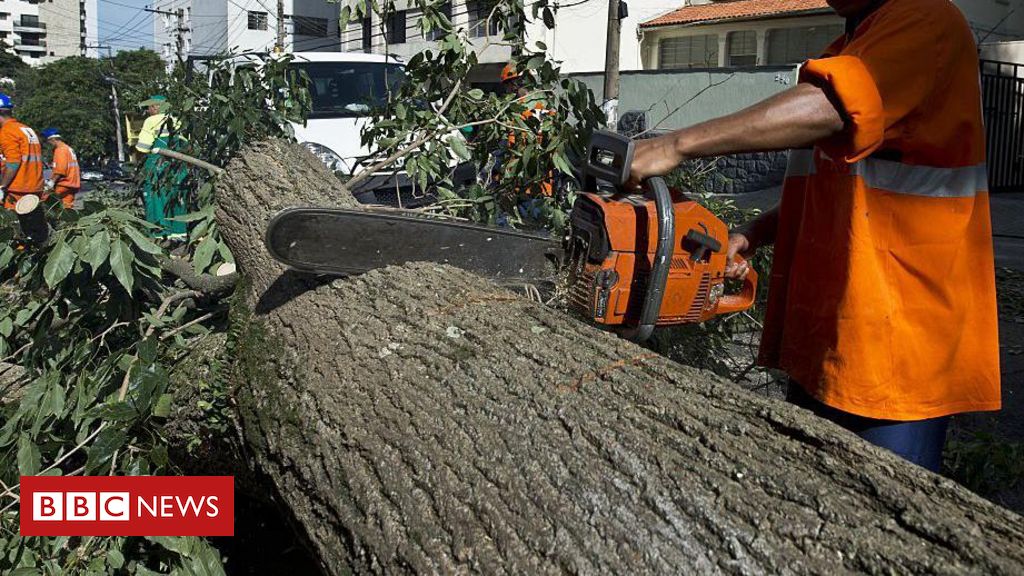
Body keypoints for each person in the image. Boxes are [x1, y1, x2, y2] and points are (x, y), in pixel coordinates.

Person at [628, 0, 999, 472]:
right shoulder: (850, 46)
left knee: (876, 517)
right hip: (835, 334)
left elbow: (833, 108)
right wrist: (754, 233)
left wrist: (673, 144)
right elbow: (834, 184)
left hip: (897, 347)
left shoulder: (925, 19)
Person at [135, 94, 187, 239]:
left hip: (156, 168)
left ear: (155, 107)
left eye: (149, 108)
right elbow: (185, 145)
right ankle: (179, 234)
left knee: (155, 199)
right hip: (178, 168)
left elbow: (143, 148)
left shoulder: (151, 121)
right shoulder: (177, 120)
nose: (148, 111)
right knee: (177, 198)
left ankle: (159, 234)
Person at [0, 93, 44, 211]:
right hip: (35, 186)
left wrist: (2, 186)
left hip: (18, 189)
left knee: (14, 225)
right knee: (33, 225)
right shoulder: (25, 129)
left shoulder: (7, 131)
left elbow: (13, 162)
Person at [41, 128, 80, 209]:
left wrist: (51, 182)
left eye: (48, 142)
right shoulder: (68, 149)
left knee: (46, 201)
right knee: (67, 208)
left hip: (63, 184)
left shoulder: (60, 150)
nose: (48, 144)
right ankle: (68, 221)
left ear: (52, 139)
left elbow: (60, 170)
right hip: (72, 183)